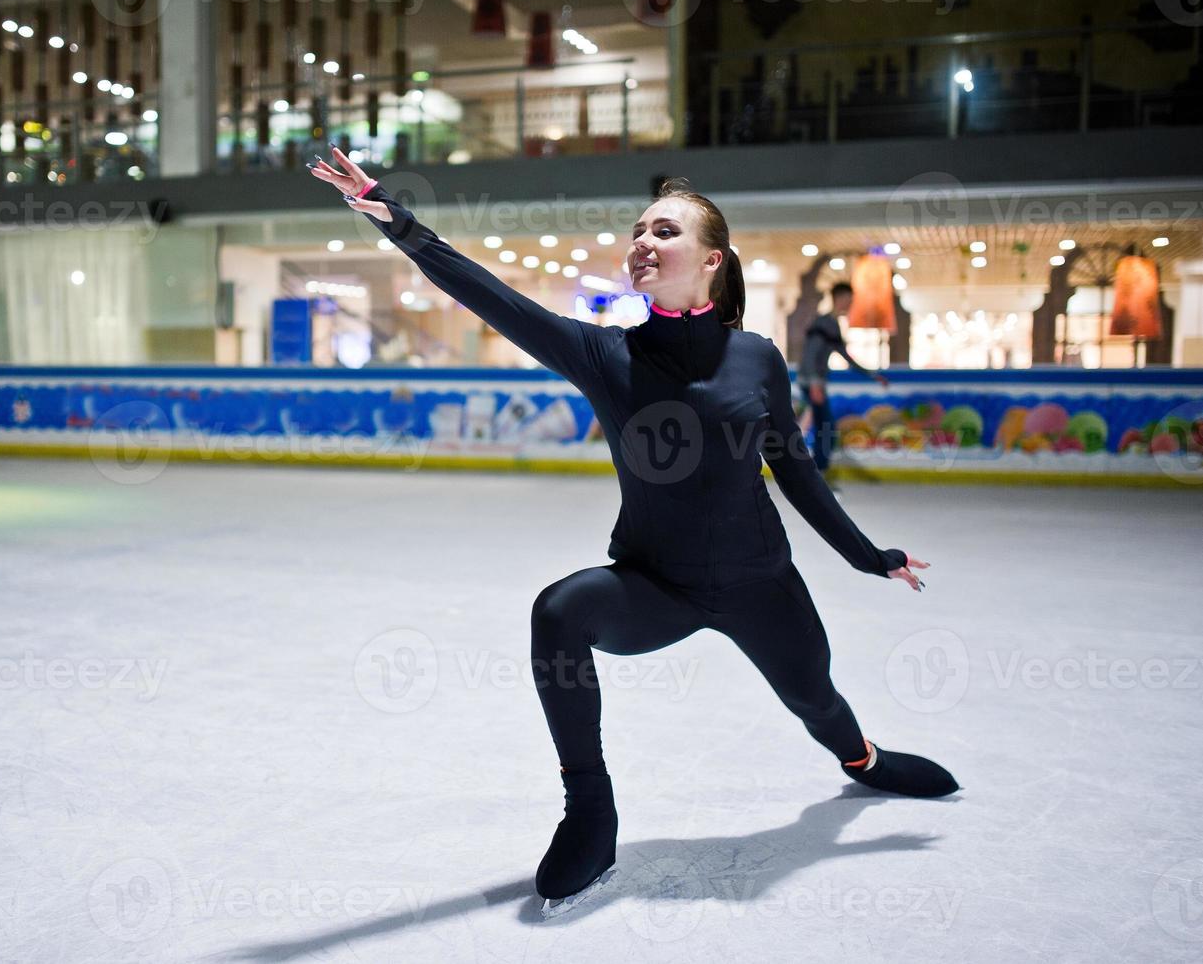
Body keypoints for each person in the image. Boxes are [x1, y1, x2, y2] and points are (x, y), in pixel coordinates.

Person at [307, 147, 958, 917]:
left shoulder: (756, 359)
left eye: (665, 230)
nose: (642, 240)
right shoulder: (602, 351)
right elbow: (494, 298)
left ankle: (863, 758)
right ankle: (589, 807)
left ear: (712, 260)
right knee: (559, 610)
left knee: (815, 698)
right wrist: (398, 222)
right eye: (639, 229)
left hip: (759, 583)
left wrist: (865, 556)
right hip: (657, 585)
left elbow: (794, 468)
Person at [800, 283, 891, 486]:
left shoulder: (831, 324)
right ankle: (816, 474)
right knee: (827, 428)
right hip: (813, 383)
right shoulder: (824, 323)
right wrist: (815, 384)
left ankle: (817, 472)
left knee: (826, 428)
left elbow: (844, 355)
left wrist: (872, 374)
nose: (849, 305)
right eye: (848, 300)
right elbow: (811, 355)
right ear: (838, 298)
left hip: (814, 382)